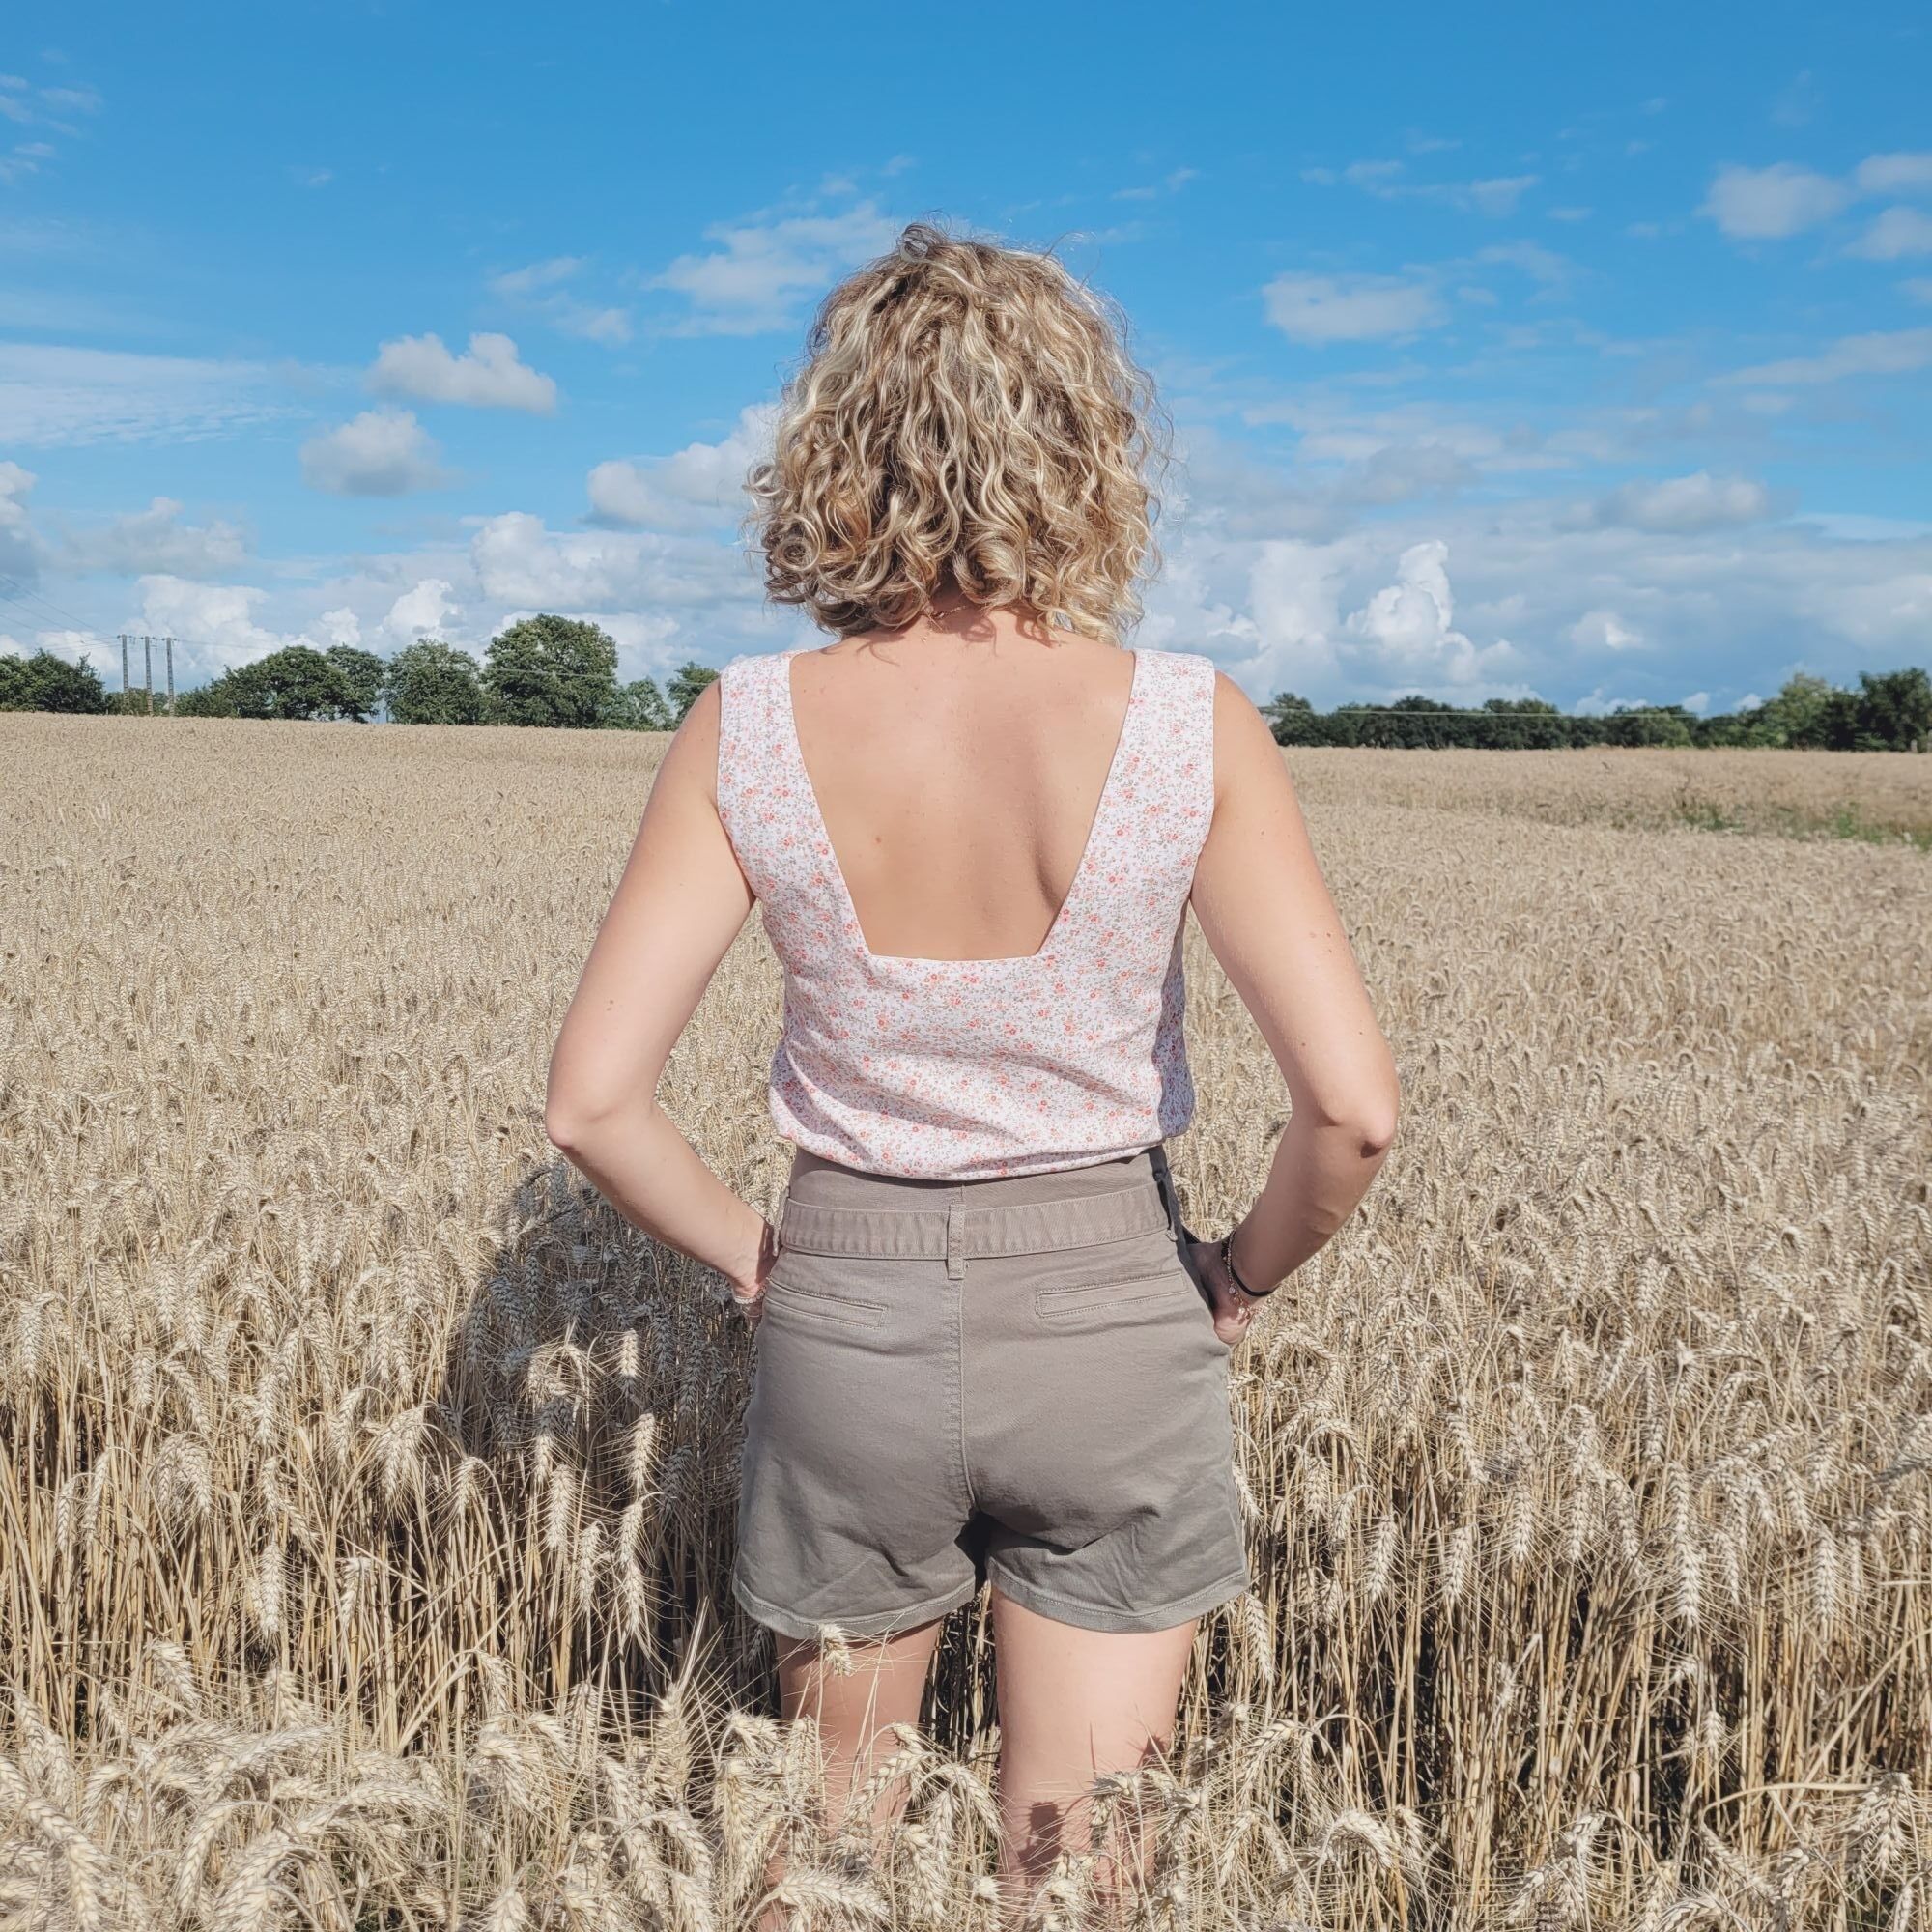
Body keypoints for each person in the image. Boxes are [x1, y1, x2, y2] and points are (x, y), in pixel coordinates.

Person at [543, 221, 1399, 1917]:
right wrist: (1229, 1273)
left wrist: (760, 1263)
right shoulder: (1185, 721)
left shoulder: (751, 723)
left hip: (848, 1307)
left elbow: (590, 1103)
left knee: (827, 1846)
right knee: (1080, 1870)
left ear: (835, 445)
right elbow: (1356, 1115)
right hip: (1109, 1314)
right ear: (1084, 442)